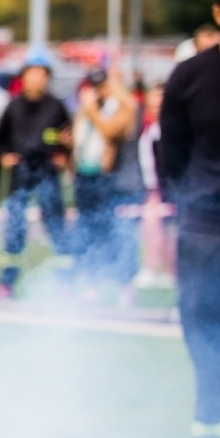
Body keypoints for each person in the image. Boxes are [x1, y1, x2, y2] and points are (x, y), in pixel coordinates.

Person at [159, 0, 220, 438]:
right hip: (205, 235)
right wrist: (187, 206)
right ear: (219, 13)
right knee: (208, 359)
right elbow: (171, 154)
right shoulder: (189, 78)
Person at [0, 47, 71, 298]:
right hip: (21, 173)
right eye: (32, 73)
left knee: (56, 227)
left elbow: (68, 139)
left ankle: (65, 284)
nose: (36, 79)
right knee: (14, 229)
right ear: (23, 77)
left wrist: (65, 153)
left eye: (41, 74)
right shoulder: (13, 106)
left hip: (47, 172)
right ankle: (8, 283)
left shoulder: (56, 107)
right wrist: (4, 156)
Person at [68, 67, 136, 291]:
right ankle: (92, 277)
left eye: (103, 85)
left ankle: (123, 281)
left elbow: (110, 131)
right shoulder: (87, 108)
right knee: (87, 230)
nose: (100, 91)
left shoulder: (123, 106)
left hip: (111, 178)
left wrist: (91, 110)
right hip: (84, 175)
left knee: (113, 231)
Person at [135, 80, 176, 289]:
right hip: (151, 186)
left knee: (169, 230)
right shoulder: (145, 127)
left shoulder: (173, 128)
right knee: (151, 228)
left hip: (170, 188)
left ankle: (170, 270)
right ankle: (151, 267)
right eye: (153, 97)